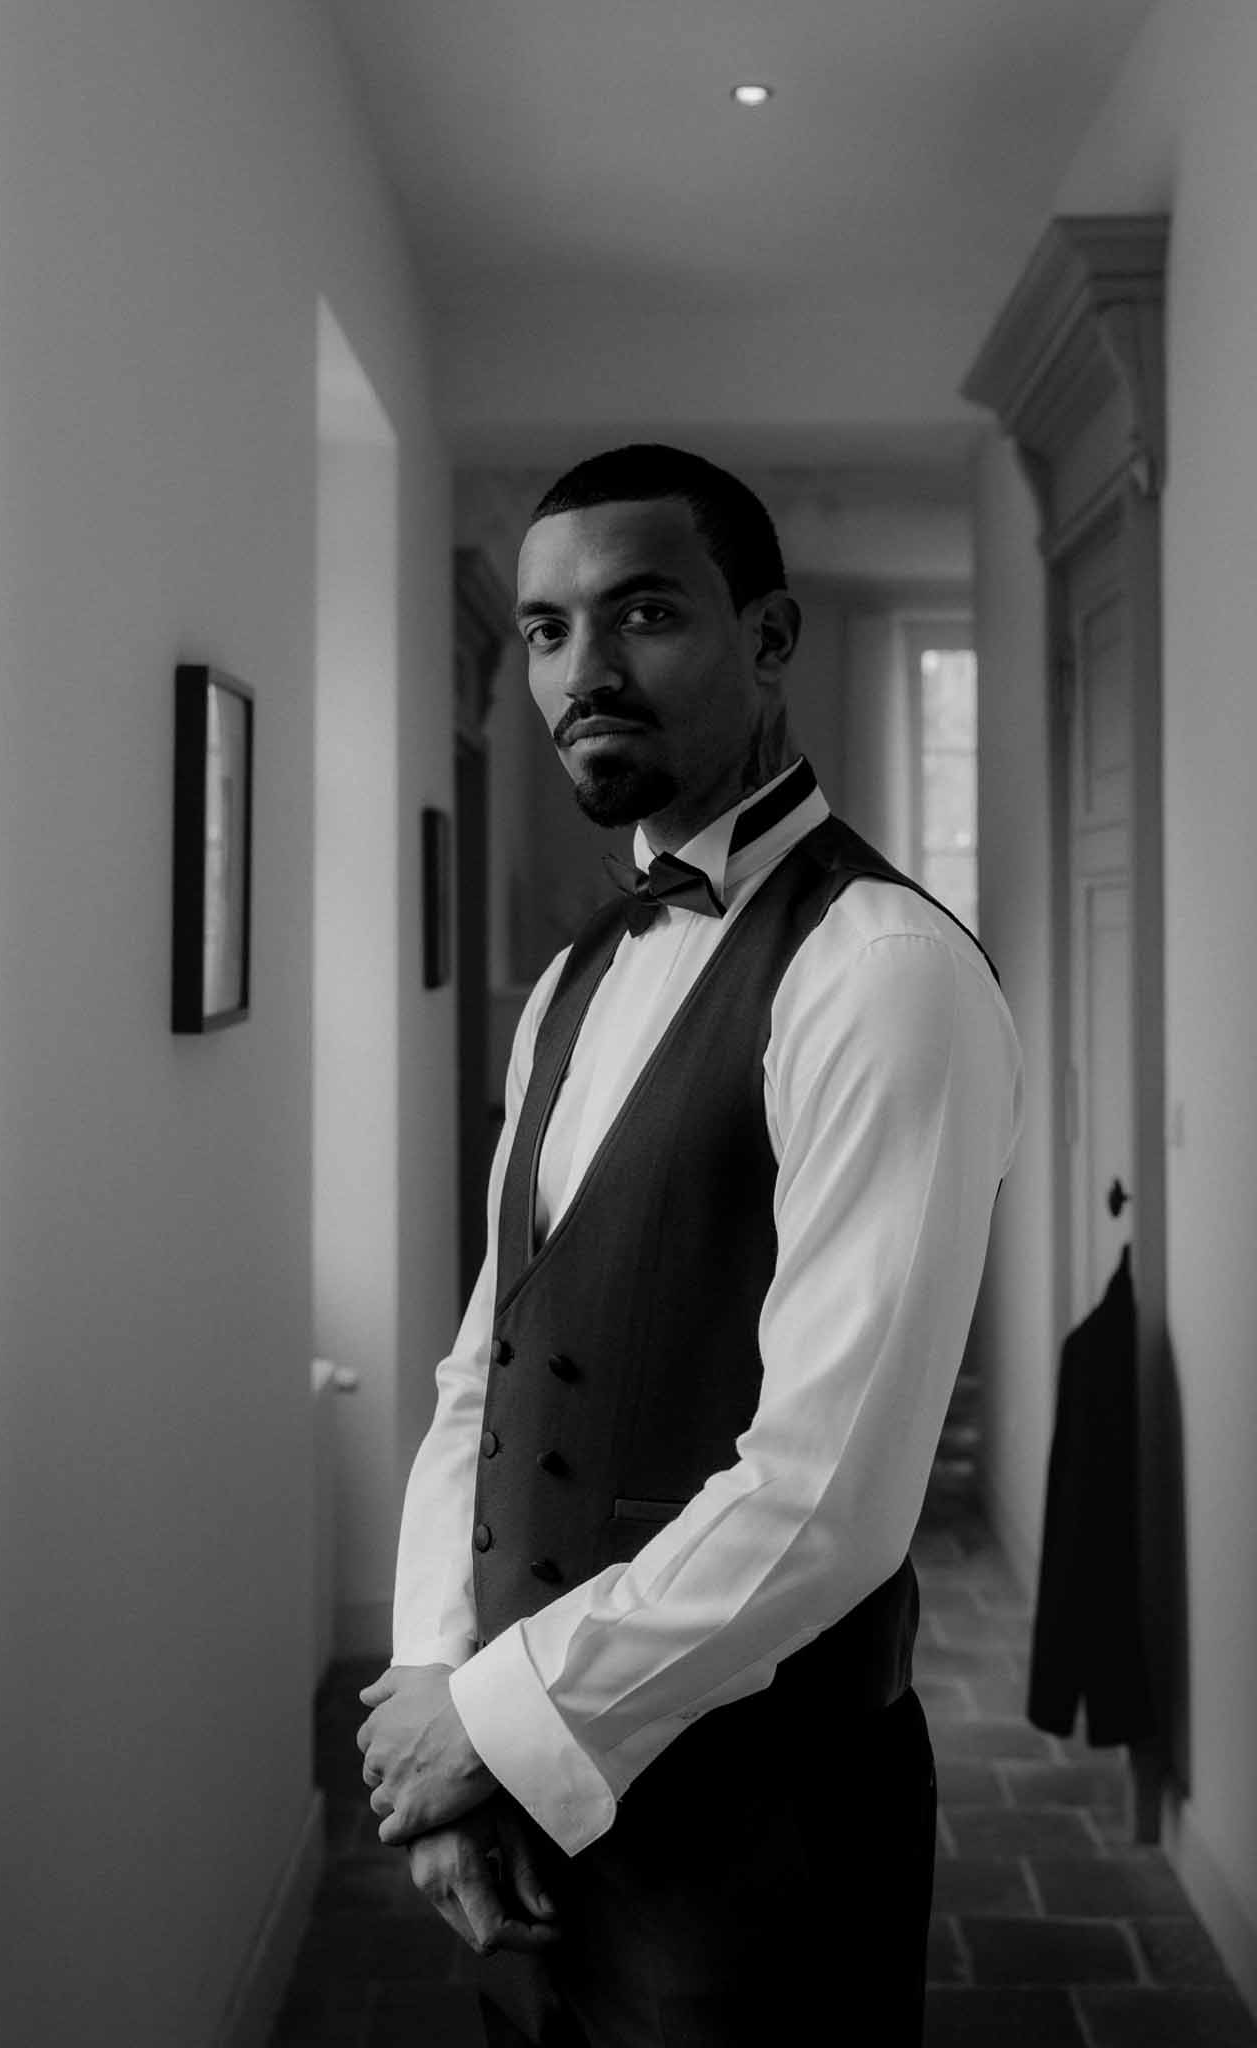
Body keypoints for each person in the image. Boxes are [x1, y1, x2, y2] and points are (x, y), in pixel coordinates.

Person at [356, 444, 1022, 2046]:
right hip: (524, 1794)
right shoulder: (572, 983)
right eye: (539, 630)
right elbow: (481, 1372)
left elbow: (830, 1500)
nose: (582, 671)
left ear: (770, 637)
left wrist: (494, 1726)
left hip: (756, 1831)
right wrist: (436, 1695)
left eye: (640, 611)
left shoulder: (881, 973)